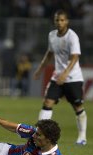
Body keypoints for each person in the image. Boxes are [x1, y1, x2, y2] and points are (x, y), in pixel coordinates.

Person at [33, 10, 87, 145]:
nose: (59, 22)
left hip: (73, 78)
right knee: (47, 103)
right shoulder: (52, 35)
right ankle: (39, 133)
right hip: (57, 78)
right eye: (57, 20)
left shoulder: (72, 36)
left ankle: (82, 136)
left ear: (67, 21)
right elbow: (49, 54)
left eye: (62, 20)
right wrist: (40, 69)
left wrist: (65, 74)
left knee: (77, 106)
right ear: (54, 21)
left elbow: (75, 57)